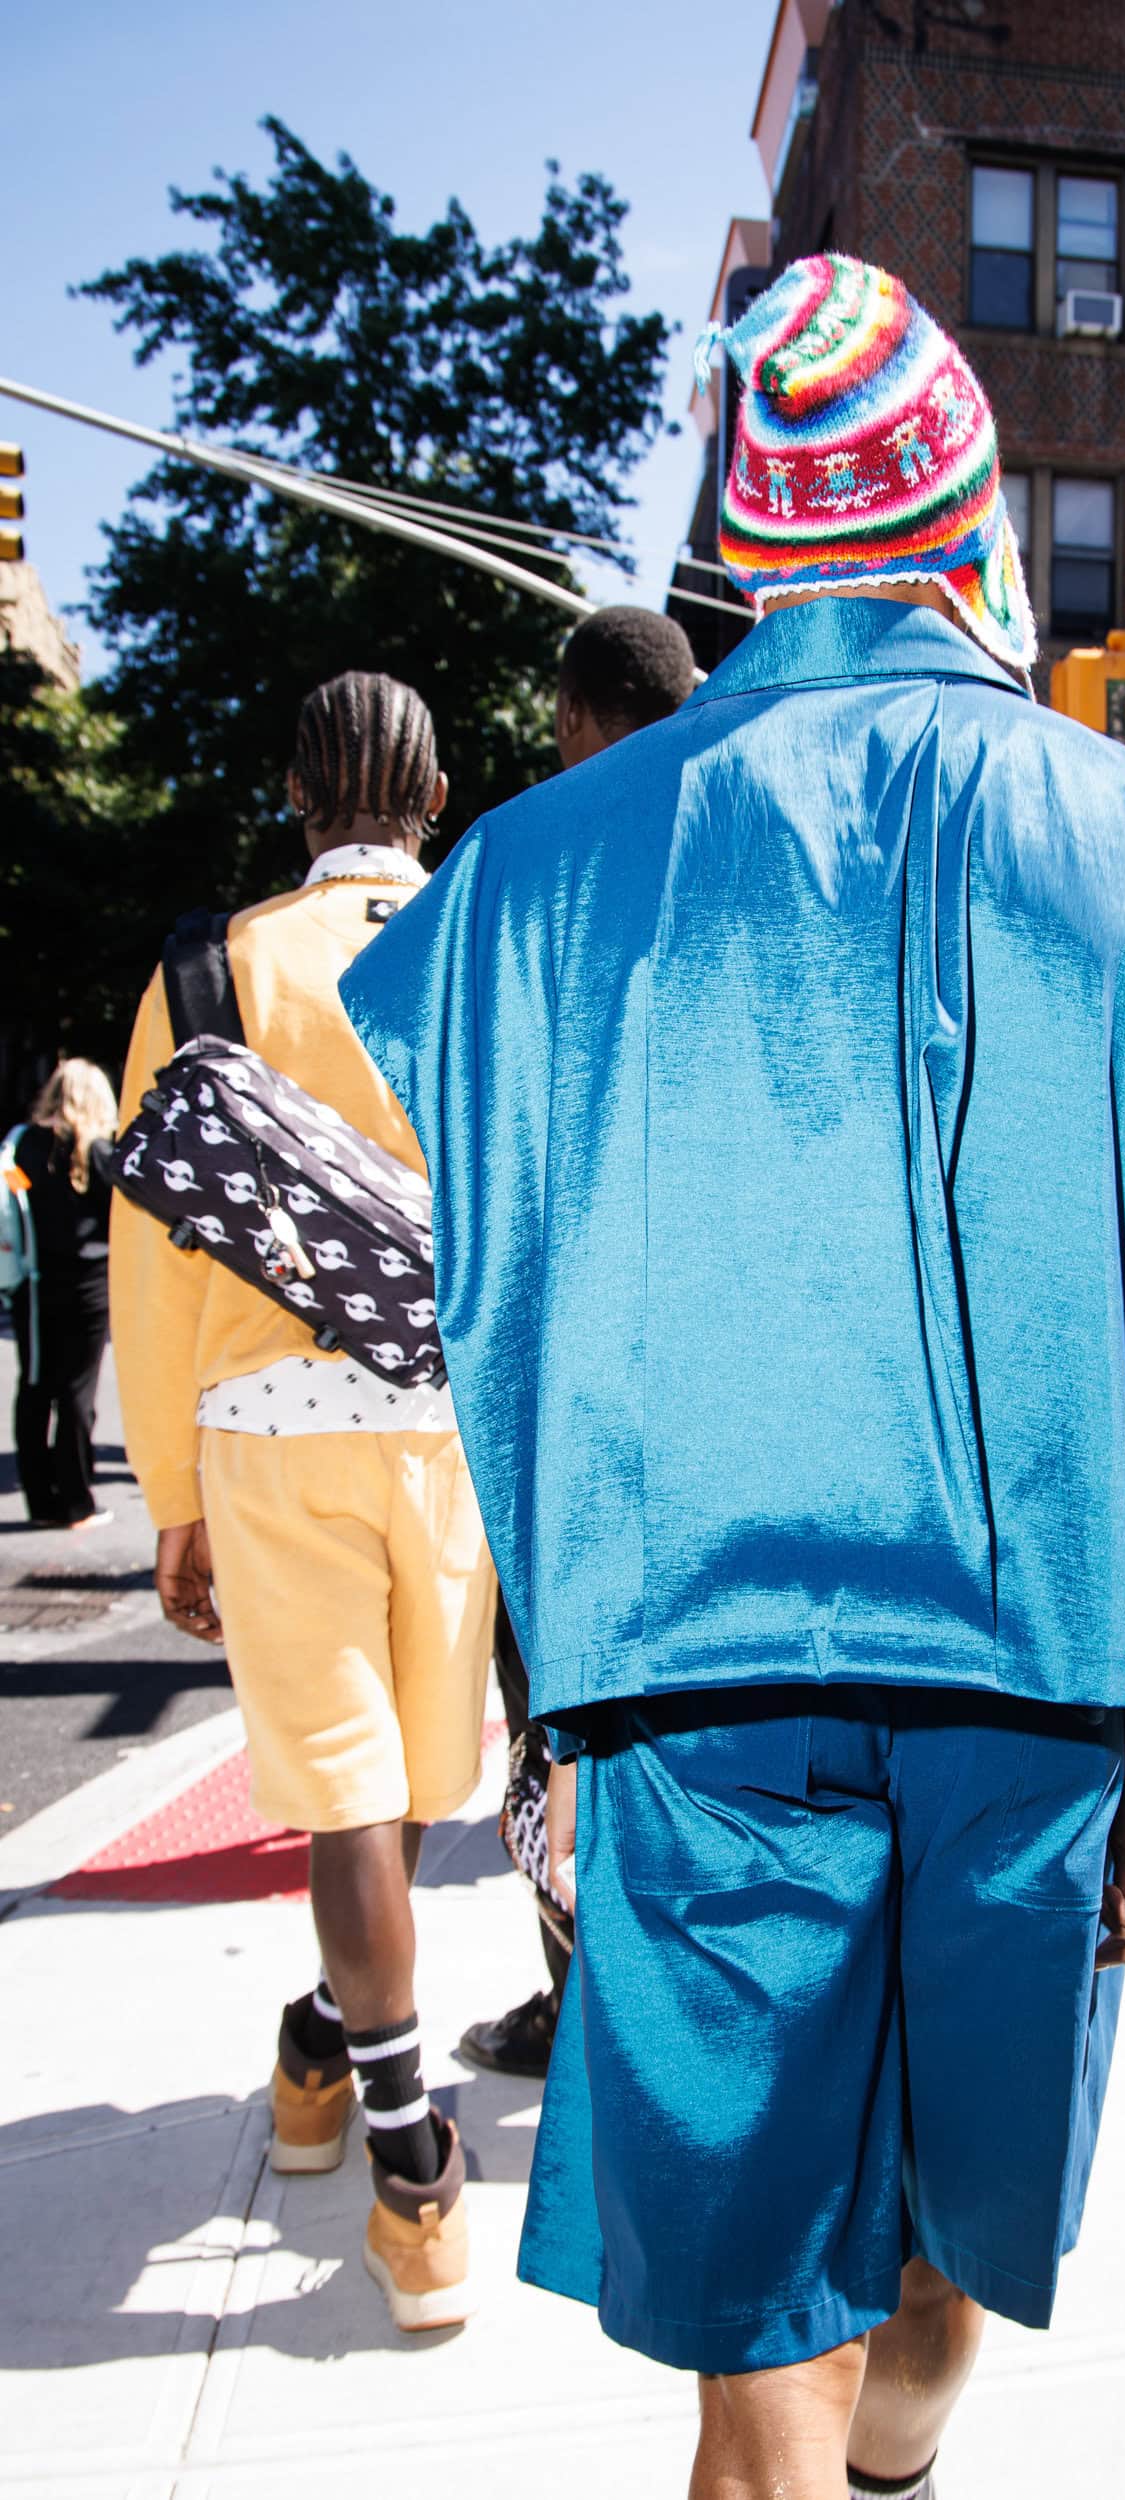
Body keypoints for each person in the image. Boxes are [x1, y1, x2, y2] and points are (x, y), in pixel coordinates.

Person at [342, 254, 1125, 2497]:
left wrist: (548, 1715)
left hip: (693, 1688)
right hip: (1040, 1683)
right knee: (940, 2253)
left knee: (756, 2319)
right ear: (977, 527)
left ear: (754, 541)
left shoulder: (531, 876)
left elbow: (515, 1312)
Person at [110, 671, 496, 2335]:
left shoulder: (211, 970)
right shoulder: (487, 946)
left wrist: (171, 1494)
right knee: (399, 1790)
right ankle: (397, 2143)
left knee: (354, 1796)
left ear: (291, 792)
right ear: (433, 795)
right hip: (451, 1425)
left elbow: (152, 1250)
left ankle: (349, 2086)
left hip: (263, 1432)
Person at [458, 604, 697, 2084]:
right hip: (726, 1379)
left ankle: (586, 2007)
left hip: (576, 1385)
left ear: (569, 720)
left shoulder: (539, 868)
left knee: (558, 1705)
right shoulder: (753, 842)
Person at [8, 1060, 119, 1528]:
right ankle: (76, 1501)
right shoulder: (99, 1151)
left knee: (35, 1387)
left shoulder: (22, 1145)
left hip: (32, 1282)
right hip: (90, 1286)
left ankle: (40, 1500)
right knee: (78, 1391)